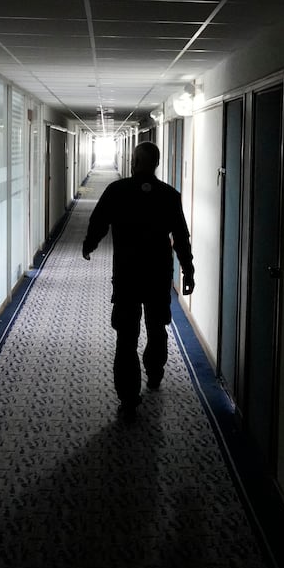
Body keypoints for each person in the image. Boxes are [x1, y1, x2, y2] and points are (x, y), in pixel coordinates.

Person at [81, 141, 194, 415]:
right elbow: (180, 235)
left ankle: (129, 399)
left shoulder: (117, 191)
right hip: (158, 275)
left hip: (127, 276)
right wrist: (188, 269)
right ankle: (154, 372)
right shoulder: (169, 195)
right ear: (156, 163)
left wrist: (90, 243)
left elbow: (99, 221)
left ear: (133, 161)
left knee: (126, 337)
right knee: (157, 328)